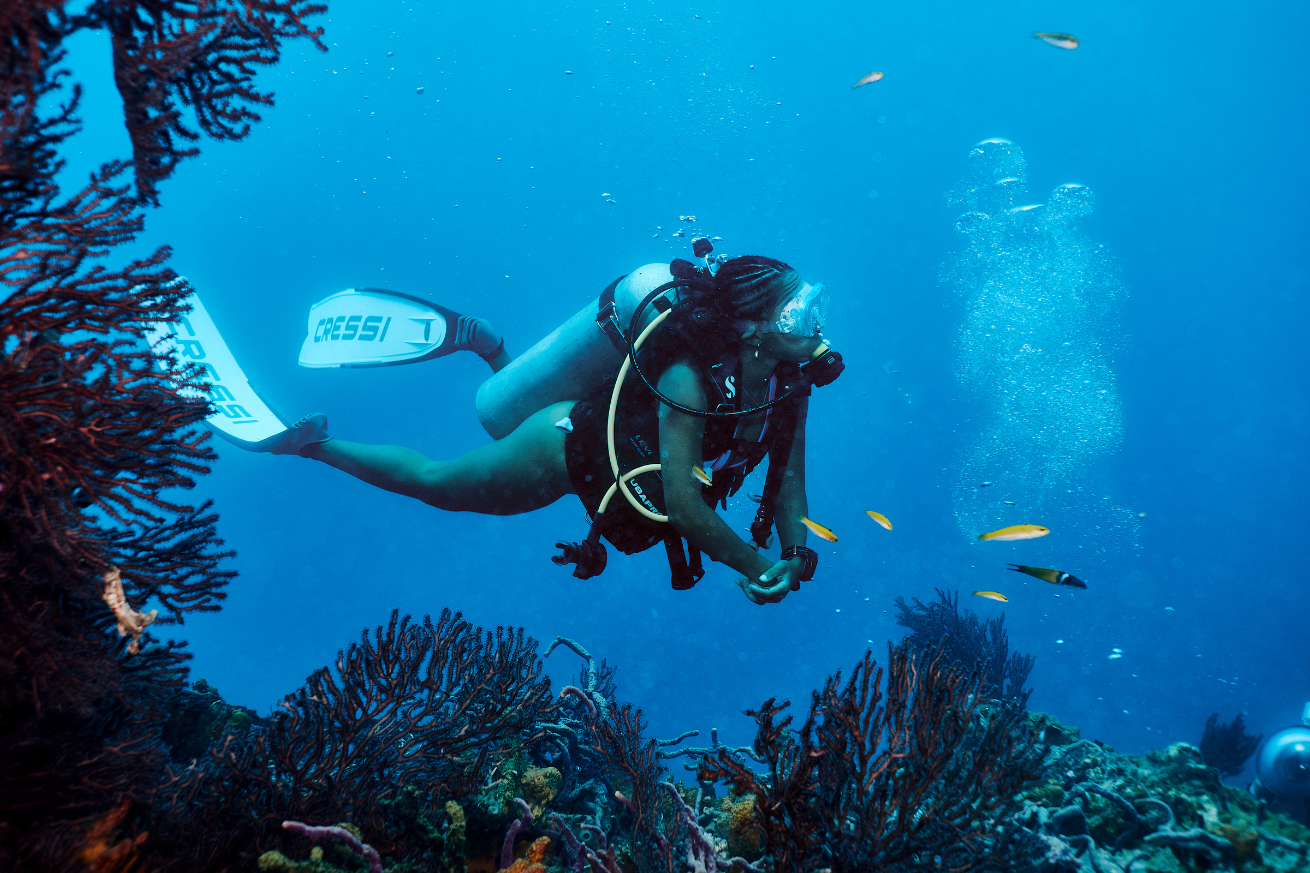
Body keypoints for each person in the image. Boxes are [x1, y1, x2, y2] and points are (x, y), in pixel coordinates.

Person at [260, 255, 838, 605]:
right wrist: (759, 568)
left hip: (615, 461)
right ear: (753, 328)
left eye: (811, 306)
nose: (812, 325)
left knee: (478, 440)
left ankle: (493, 349)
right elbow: (686, 508)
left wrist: (796, 552)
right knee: (436, 484)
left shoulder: (790, 381)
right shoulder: (689, 380)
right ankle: (312, 443)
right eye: (796, 314)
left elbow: (789, 472)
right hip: (563, 450)